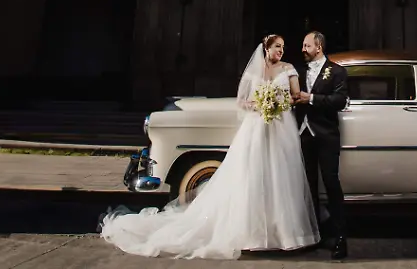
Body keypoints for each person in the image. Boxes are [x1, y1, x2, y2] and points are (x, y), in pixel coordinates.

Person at [99, 35, 319, 260]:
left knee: (281, 178)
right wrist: (259, 104)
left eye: (282, 47)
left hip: (281, 128)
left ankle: (283, 234)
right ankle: (252, 235)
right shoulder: (255, 71)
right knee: (251, 177)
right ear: (266, 48)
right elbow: (241, 101)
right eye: (276, 47)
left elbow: (295, 96)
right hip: (256, 128)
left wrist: (278, 103)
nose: (280, 51)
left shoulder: (288, 68)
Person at [294, 30, 350, 260]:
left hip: (326, 135)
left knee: (331, 183)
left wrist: (312, 99)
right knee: (308, 186)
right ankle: (313, 235)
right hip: (303, 134)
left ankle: (340, 238)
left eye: (306, 45)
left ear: (319, 46)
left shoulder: (337, 71)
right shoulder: (298, 71)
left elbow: (339, 101)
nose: (303, 49)